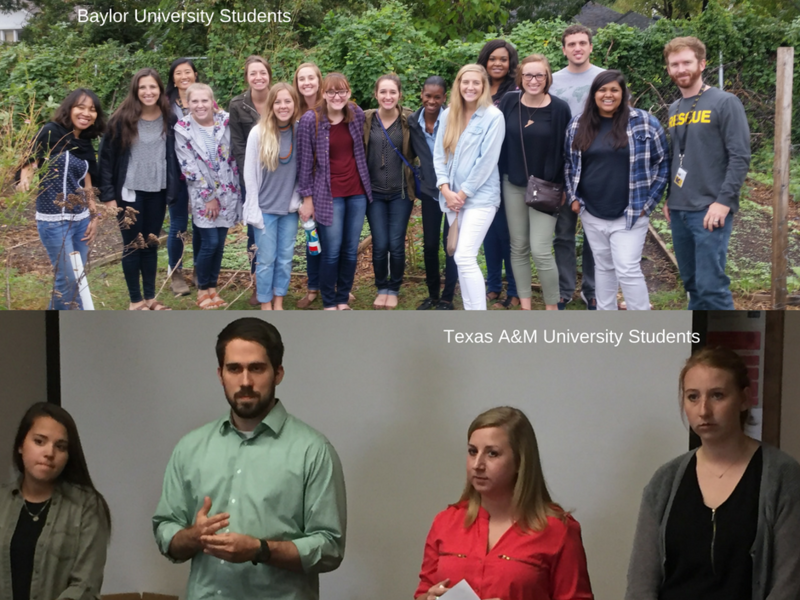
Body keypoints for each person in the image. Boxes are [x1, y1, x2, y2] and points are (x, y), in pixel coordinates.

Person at [152, 317, 347, 600]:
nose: (245, 381)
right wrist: (193, 536)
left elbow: (329, 549)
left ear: (278, 373)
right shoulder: (190, 447)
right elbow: (165, 529)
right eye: (234, 369)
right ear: (220, 374)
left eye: (256, 368)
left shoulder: (313, 450)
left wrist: (260, 550)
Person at [625, 346, 800, 600]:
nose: (704, 410)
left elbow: (789, 582)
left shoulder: (783, 477)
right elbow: (641, 583)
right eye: (693, 397)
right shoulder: (664, 481)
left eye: (717, 395)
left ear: (744, 399)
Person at [415, 406, 594, 600]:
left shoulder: (557, 530)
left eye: (492, 454)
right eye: (472, 451)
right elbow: (423, 590)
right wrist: (428, 598)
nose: (477, 464)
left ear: (519, 461)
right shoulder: (446, 522)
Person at [564, 70, 668, 311]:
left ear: (623, 93)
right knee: (603, 267)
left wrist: (648, 204)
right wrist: (574, 199)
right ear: (594, 94)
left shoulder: (645, 122)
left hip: (631, 212)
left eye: (614, 90)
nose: (608, 95)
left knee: (627, 268)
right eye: (602, 90)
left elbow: (662, 164)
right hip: (592, 211)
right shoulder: (578, 124)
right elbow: (569, 164)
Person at [663, 36, 751, 310]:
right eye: (674, 64)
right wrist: (669, 197)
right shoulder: (674, 108)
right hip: (679, 210)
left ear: (701, 64)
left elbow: (740, 156)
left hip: (709, 209)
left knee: (711, 287)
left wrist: (723, 202)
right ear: (668, 69)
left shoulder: (725, 102)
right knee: (691, 284)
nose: (681, 69)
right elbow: (676, 157)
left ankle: (726, 348)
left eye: (686, 62)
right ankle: (699, 345)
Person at [1, 402, 111, 600]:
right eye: (39, 441)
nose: (49, 453)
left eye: (60, 447)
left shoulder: (87, 506)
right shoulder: (2, 502)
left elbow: (85, 585)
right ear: (20, 445)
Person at [98, 67, 179, 310]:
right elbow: (106, 160)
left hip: (158, 191)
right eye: (142, 87)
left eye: (153, 87)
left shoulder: (170, 119)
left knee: (150, 243)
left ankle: (150, 298)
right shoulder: (121, 119)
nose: (148, 91)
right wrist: (109, 197)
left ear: (160, 90)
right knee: (133, 245)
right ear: (135, 90)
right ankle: (135, 301)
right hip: (129, 192)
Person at [18, 89, 105, 310]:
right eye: (81, 107)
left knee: (76, 280)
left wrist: (94, 217)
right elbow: (31, 162)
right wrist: (25, 181)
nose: (86, 113)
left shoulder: (85, 144)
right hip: (53, 220)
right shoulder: (50, 132)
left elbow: (88, 187)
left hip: (81, 221)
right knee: (65, 280)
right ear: (69, 109)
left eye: (92, 110)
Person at [498, 55, 571, 310]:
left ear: (547, 77)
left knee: (540, 249)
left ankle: (552, 307)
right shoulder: (509, 102)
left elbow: (566, 151)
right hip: (513, 184)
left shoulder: (559, 109)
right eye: (528, 75)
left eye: (539, 75)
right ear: (520, 78)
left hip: (547, 188)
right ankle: (526, 306)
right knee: (518, 246)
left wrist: (562, 185)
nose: (534, 80)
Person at [297, 72, 372, 310]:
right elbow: (305, 164)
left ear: (349, 93)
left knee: (350, 250)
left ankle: (342, 298)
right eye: (332, 91)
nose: (337, 96)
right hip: (329, 195)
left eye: (342, 91)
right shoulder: (312, 120)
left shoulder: (356, 114)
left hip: (357, 192)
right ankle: (329, 301)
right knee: (331, 251)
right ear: (324, 94)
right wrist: (307, 199)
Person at [433, 64, 504, 311]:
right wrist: (444, 189)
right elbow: (438, 155)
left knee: (464, 256)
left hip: (480, 198)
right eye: (466, 82)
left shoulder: (493, 117)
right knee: (461, 259)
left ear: (484, 86)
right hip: (451, 198)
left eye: (476, 83)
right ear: (458, 85)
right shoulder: (448, 114)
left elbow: (487, 161)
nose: (470, 87)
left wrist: (462, 194)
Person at [551, 24, 605, 310]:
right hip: (563, 165)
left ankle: (592, 289)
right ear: (564, 49)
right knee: (563, 233)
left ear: (590, 46)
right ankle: (564, 288)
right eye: (571, 44)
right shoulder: (552, 81)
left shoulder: (604, 78)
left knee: (595, 232)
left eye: (582, 43)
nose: (577, 48)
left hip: (596, 166)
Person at [174, 83, 241, 309]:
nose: (200, 105)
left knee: (220, 243)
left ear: (212, 102)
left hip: (228, 192)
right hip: (204, 195)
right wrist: (208, 196)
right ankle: (202, 289)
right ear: (187, 103)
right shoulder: (182, 128)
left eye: (205, 101)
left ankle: (213, 287)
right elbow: (189, 166)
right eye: (195, 101)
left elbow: (233, 156)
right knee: (209, 242)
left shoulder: (226, 122)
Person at [243, 83, 300, 311]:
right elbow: (250, 174)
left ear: (294, 104)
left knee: (285, 259)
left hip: (289, 210)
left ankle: (279, 301)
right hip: (265, 208)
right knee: (266, 261)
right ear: (271, 104)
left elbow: (304, 172)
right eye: (278, 102)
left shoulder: (299, 131)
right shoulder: (258, 133)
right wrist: (253, 207)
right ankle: (265, 303)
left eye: (288, 101)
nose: (283, 106)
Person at [363, 74, 416, 309]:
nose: (387, 96)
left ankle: (393, 288)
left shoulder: (409, 120)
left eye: (392, 92)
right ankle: (381, 287)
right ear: (376, 94)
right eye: (383, 92)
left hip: (400, 194)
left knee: (395, 243)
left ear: (399, 95)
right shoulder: (365, 119)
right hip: (373, 194)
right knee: (380, 243)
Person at [476, 39, 519, 308]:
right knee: (488, 230)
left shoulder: (515, 91)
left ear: (510, 62)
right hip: (481, 170)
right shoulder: (476, 88)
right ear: (485, 61)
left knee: (508, 232)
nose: (498, 63)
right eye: (493, 58)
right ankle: (493, 284)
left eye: (503, 59)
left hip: (507, 168)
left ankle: (514, 289)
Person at [408, 76, 457, 311]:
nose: (432, 101)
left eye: (437, 97)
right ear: (421, 94)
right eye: (428, 96)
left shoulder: (454, 119)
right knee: (429, 245)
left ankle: (448, 298)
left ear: (444, 97)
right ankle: (433, 294)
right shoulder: (412, 122)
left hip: (453, 193)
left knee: (451, 245)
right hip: (429, 191)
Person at [229, 56, 272, 306]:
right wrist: (251, 178)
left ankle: (276, 281)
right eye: (253, 73)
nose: (258, 78)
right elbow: (238, 145)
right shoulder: (238, 105)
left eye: (262, 73)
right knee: (254, 230)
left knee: (278, 229)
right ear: (247, 77)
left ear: (269, 75)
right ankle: (257, 283)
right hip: (252, 176)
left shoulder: (279, 98)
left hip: (280, 175)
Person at [164, 57, 200, 297]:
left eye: (188, 72)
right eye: (179, 73)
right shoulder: (165, 104)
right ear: (173, 78)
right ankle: (176, 272)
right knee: (178, 224)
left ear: (195, 75)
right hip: (176, 174)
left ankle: (200, 269)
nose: (184, 76)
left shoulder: (204, 99)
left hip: (202, 174)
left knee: (201, 223)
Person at [293, 62, 325, 309]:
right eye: (302, 78)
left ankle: (333, 285)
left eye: (311, 78)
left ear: (319, 80)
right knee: (312, 238)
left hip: (327, 185)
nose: (307, 83)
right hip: (301, 185)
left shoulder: (329, 108)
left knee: (331, 239)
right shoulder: (292, 109)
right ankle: (313, 287)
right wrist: (306, 196)